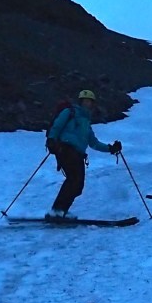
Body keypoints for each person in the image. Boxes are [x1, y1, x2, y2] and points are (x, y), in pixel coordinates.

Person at [45, 89, 121, 218]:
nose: (87, 104)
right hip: (65, 149)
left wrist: (111, 148)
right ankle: (57, 210)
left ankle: (61, 211)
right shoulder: (70, 112)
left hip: (78, 154)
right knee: (73, 180)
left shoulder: (86, 122)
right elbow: (57, 126)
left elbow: (94, 143)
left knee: (78, 185)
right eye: (85, 101)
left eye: (89, 102)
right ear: (80, 102)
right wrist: (51, 140)